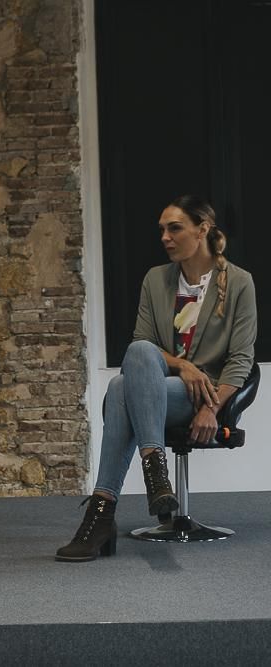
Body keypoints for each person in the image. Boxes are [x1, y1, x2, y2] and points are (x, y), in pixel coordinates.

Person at [56, 195, 257, 562]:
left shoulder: (239, 283)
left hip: (202, 396)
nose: (165, 236)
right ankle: (155, 471)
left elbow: (242, 360)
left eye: (174, 228)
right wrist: (183, 366)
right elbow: (142, 345)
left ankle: (101, 517)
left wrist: (212, 408)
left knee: (120, 388)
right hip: (157, 384)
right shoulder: (155, 279)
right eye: (161, 229)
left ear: (203, 230)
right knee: (136, 356)